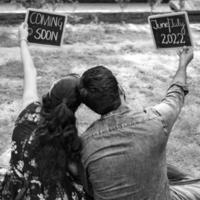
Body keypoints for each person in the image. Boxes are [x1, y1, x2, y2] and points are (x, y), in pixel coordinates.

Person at [79, 47, 200, 200]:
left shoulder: (84, 145)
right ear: (120, 89)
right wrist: (183, 63)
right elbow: (176, 94)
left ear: (92, 107)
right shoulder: (156, 121)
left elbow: (90, 188)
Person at [0, 23, 89, 200]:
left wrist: (22, 40)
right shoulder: (69, 137)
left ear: (50, 93)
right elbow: (78, 175)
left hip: (15, 191)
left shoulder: (27, 111)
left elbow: (30, 72)